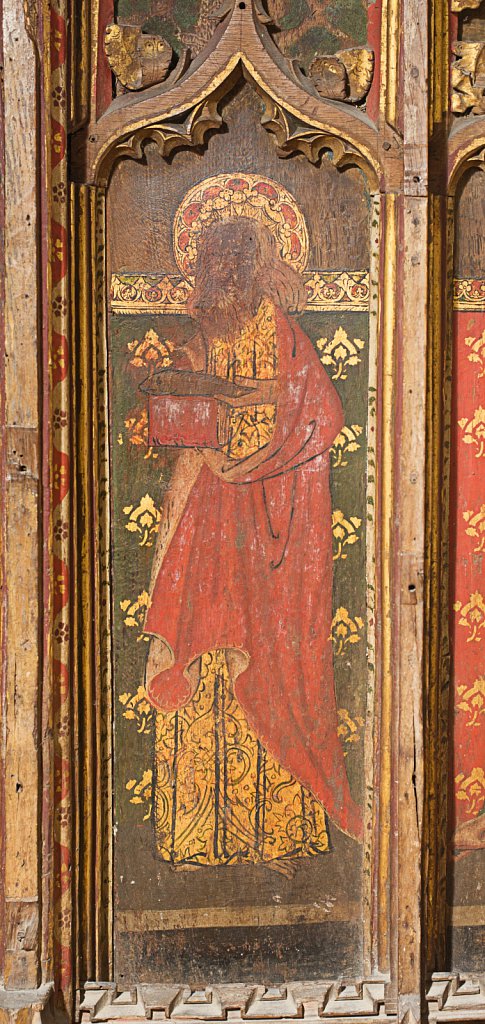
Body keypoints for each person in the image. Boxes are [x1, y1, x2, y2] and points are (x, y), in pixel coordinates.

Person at [143, 216, 363, 874]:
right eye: (218, 261)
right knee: (204, 640)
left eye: (240, 259)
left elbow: (320, 412)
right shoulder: (198, 339)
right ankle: (198, 835)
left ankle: (280, 835)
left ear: (261, 264)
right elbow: (182, 423)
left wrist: (256, 411)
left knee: (271, 658)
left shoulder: (281, 333)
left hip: (278, 519)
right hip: (208, 514)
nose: (228, 272)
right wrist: (186, 395)